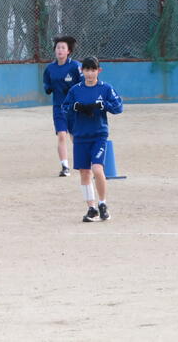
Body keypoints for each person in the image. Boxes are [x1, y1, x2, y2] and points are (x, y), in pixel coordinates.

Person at [61, 57, 123, 222]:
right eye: (87, 70)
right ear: (82, 71)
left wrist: (104, 105)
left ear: (98, 71)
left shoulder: (105, 88)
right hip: (81, 136)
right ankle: (91, 208)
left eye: (93, 70)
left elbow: (118, 107)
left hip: (98, 136)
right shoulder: (75, 90)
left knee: (96, 168)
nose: (90, 73)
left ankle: (103, 204)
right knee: (84, 172)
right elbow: (65, 109)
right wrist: (74, 107)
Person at [42, 36, 82, 177]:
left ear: (68, 51)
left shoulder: (75, 66)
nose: (60, 50)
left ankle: (84, 163)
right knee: (61, 135)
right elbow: (47, 84)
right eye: (58, 47)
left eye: (63, 48)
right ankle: (65, 167)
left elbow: (83, 83)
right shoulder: (50, 68)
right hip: (59, 107)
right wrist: (48, 88)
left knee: (75, 137)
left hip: (74, 108)